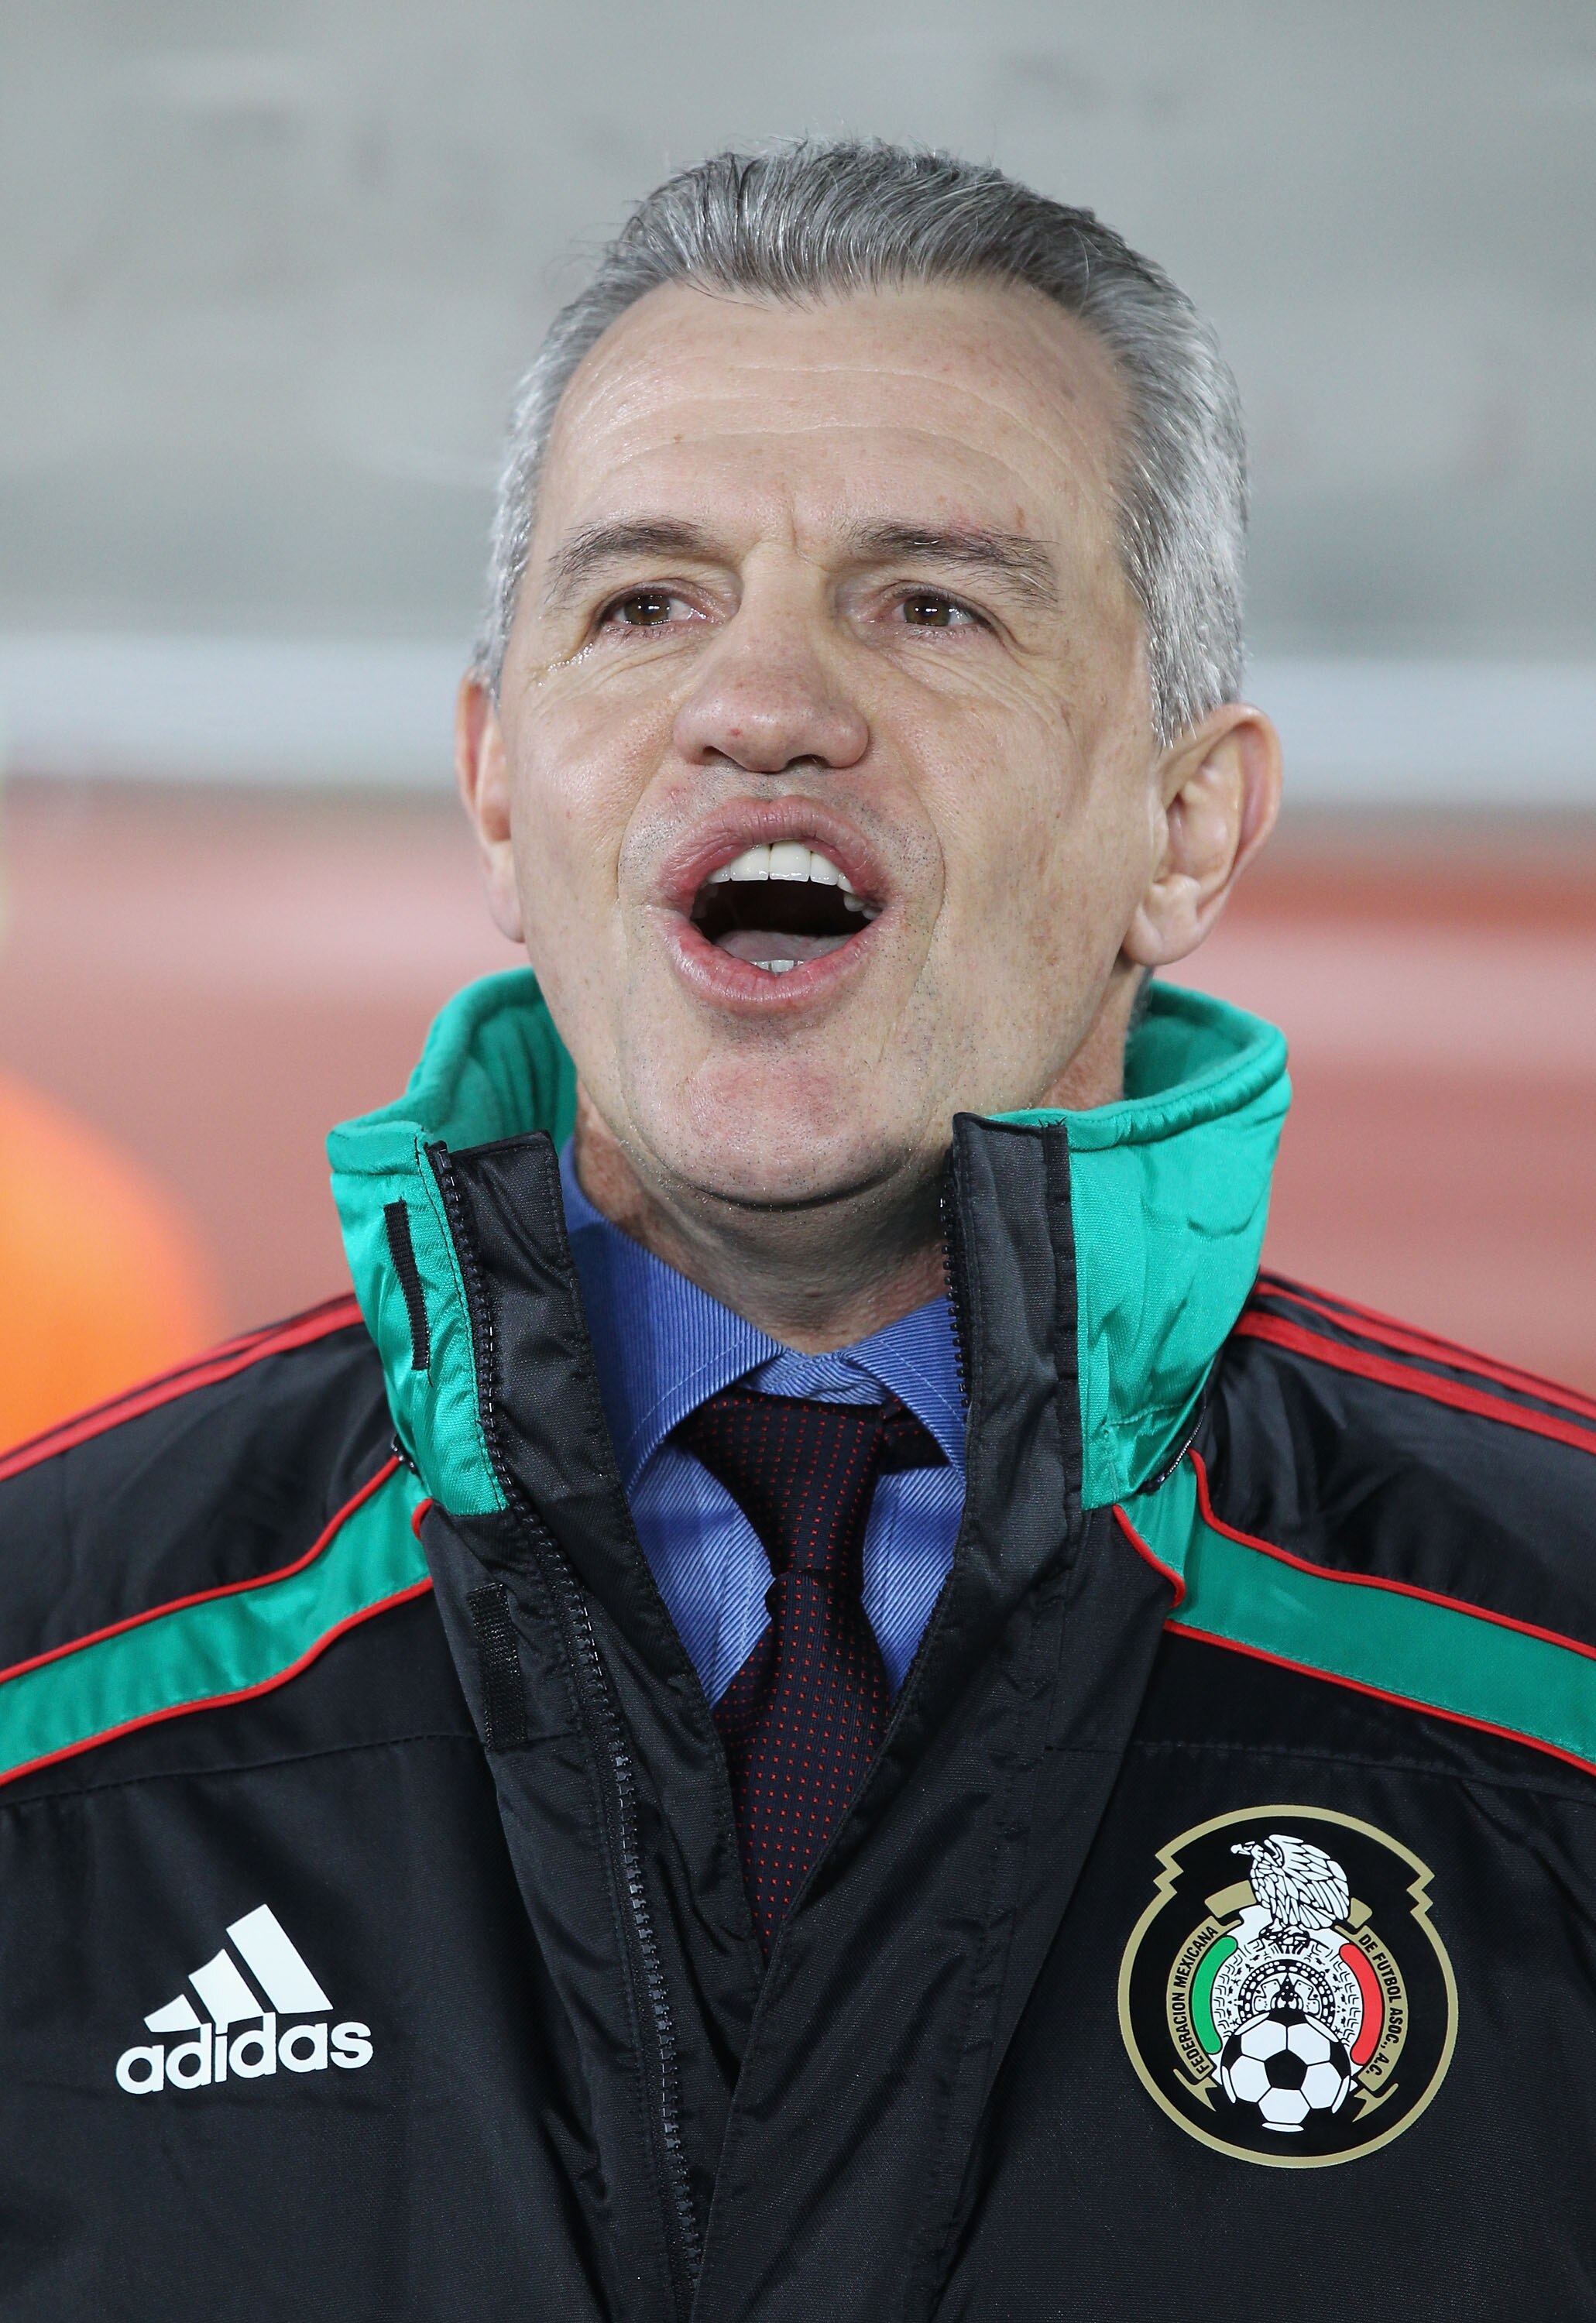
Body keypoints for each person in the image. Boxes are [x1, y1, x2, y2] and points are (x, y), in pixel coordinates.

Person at [2, 142, 1593, 2323]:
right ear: (496, 788)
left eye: (933, 603)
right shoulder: (45, 1682)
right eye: (643, 603)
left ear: (1188, 822)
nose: (761, 705)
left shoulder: (1563, 1678)